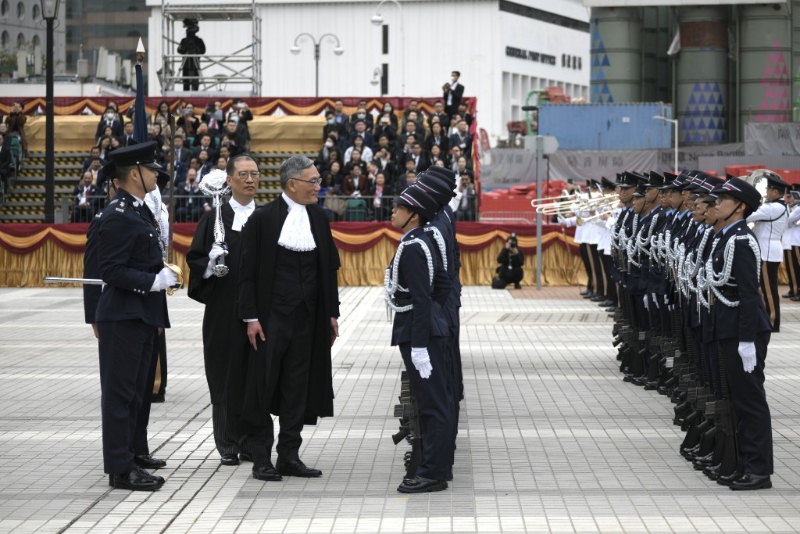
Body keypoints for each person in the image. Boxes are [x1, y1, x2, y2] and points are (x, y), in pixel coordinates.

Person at [238, 155, 341, 482]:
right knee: (263, 385)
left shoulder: (320, 219)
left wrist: (331, 313)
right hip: (270, 319)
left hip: (308, 319)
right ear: (292, 183)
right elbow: (246, 273)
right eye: (313, 181)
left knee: (298, 386)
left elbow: (328, 269)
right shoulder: (263, 219)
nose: (318, 187)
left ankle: (289, 455)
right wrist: (250, 317)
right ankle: (260, 458)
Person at [94, 142, 176, 491]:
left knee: (135, 395)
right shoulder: (117, 215)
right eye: (151, 168)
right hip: (124, 316)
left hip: (140, 315)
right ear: (133, 173)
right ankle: (119, 468)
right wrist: (152, 281)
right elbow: (110, 269)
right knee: (120, 395)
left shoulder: (139, 211)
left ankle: (128, 458)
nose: (156, 173)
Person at [187, 156, 258, 466]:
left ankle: (252, 440)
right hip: (223, 310)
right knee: (224, 374)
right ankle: (227, 441)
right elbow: (195, 259)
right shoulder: (214, 218)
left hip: (258, 311)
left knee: (253, 376)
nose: (250, 180)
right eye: (242, 174)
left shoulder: (267, 218)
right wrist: (209, 266)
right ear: (229, 180)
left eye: (254, 174)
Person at [707, 178, 774, 490]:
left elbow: (748, 294)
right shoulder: (728, 237)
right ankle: (746, 464)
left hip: (743, 331)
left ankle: (759, 471)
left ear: (741, 207)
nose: (716, 203)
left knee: (750, 400)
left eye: (723, 199)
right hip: (730, 327)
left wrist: (748, 340)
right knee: (739, 399)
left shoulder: (742, 241)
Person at [385, 185, 453, 493]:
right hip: (424, 326)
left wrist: (420, 344)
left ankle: (432, 473)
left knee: (431, 404)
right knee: (433, 401)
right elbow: (441, 283)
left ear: (413, 215)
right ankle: (434, 468)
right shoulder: (420, 240)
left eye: (398, 208)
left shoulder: (413, 246)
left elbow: (424, 297)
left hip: (418, 331)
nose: (393, 212)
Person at [746, 171, 788, 332]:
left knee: (768, 289)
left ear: (775, 192)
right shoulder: (776, 206)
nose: (766, 192)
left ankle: (772, 321)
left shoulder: (773, 207)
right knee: (765, 288)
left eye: (768, 189)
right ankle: (768, 319)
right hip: (769, 250)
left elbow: (748, 216)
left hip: (767, 252)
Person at [178, 18, 206, 91]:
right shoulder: (184, 41)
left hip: (195, 64)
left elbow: (203, 50)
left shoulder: (198, 41)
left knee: (195, 81)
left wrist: (196, 50)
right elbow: (179, 50)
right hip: (186, 64)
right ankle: (186, 92)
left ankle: (195, 92)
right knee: (186, 81)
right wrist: (183, 48)